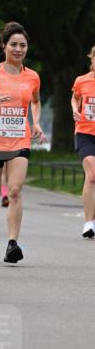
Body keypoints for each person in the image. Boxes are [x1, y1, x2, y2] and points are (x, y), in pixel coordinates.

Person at [0, 22, 46, 264]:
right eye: (14, 44)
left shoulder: (32, 76)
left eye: (23, 45)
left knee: (15, 191)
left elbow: (35, 101)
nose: (18, 49)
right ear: (4, 46)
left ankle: (12, 244)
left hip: (20, 140)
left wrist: (35, 122)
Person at [71, 45, 95, 238]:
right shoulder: (81, 80)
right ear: (92, 59)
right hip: (85, 133)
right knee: (92, 175)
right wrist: (75, 109)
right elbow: (74, 97)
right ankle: (88, 223)